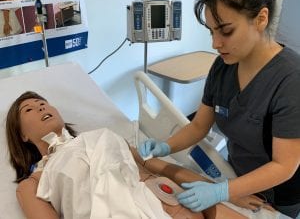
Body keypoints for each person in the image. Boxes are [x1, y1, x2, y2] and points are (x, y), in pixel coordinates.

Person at [138, 0, 300, 218]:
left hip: (277, 193)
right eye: (211, 31)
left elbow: (284, 165)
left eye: (225, 31)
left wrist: (223, 191)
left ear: (261, 19)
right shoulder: (223, 67)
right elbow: (200, 126)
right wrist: (165, 146)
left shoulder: (290, 80)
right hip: (235, 175)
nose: (215, 43)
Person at [6, 91, 253, 219]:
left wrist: (227, 190)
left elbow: (165, 169)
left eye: (43, 103)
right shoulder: (33, 184)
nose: (40, 107)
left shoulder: (103, 136)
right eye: (29, 108)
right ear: (22, 136)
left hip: (176, 201)